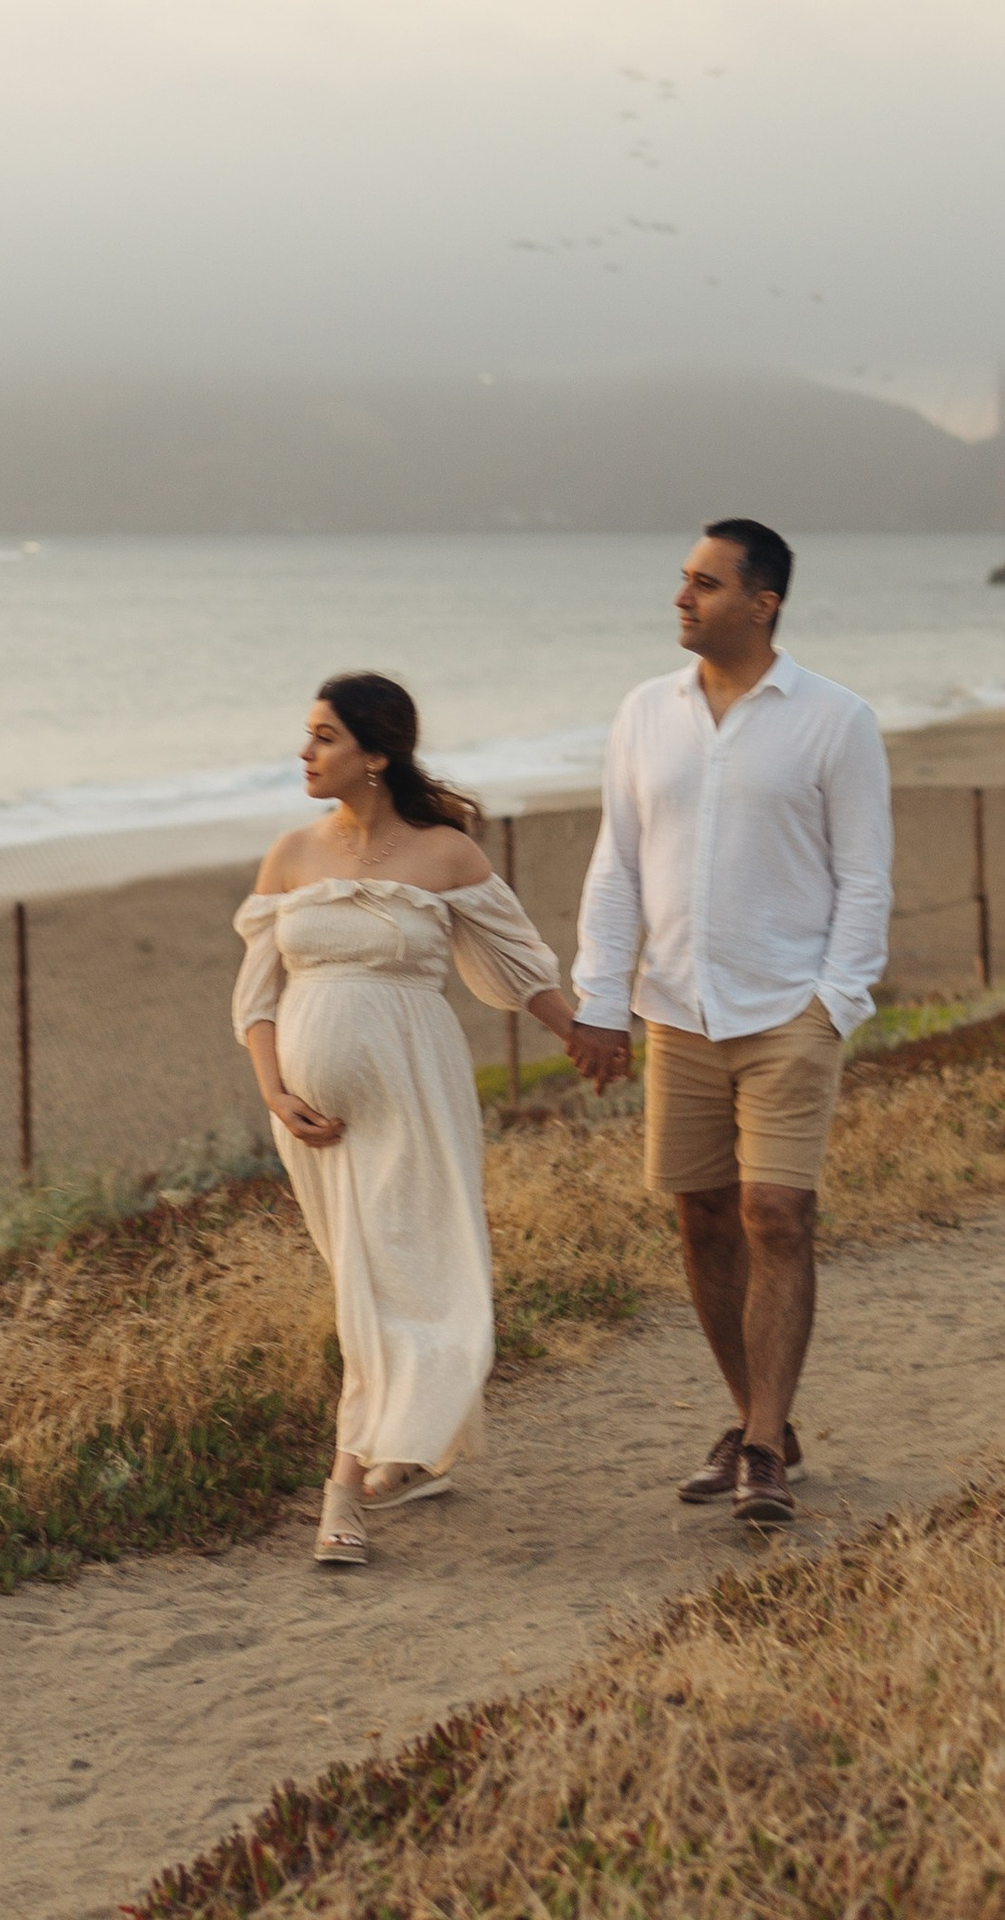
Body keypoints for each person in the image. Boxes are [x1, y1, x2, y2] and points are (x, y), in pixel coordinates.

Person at [570, 518, 893, 1529]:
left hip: (786, 1010)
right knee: (701, 1217)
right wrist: (599, 999)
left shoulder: (836, 720)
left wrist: (833, 1001)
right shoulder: (642, 713)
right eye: (682, 580)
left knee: (776, 1216)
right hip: (677, 1012)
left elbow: (865, 876)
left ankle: (760, 1450)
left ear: (763, 604)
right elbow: (616, 865)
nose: (682, 597)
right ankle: (760, 1419)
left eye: (705, 585)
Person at [233, 671, 585, 1571]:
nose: (305, 753)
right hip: (311, 1114)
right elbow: (256, 998)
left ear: (376, 754)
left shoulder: (447, 855)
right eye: (306, 736)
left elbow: (520, 966)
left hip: (418, 1092)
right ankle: (397, 1452)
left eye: (324, 738)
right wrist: (275, 1092)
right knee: (367, 1282)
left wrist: (587, 1039)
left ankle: (345, 1486)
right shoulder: (289, 857)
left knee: (419, 1276)